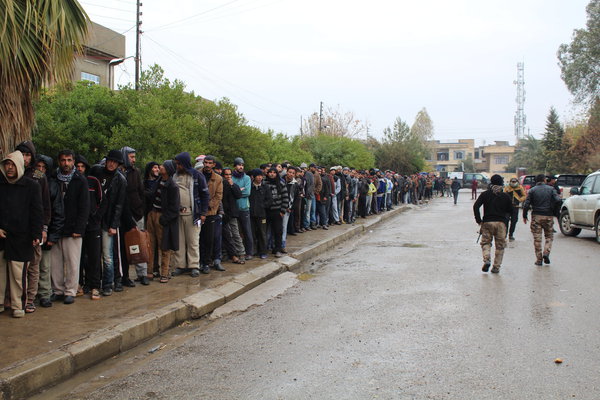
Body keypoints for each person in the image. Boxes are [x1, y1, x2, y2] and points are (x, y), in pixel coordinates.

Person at [0, 151, 44, 317]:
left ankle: (19, 305)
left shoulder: (32, 185)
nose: (9, 168)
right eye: (6, 164)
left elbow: (37, 212)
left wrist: (36, 234)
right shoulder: (1, 184)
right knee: (0, 273)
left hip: (22, 237)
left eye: (12, 164)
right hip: (2, 237)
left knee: (19, 275)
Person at [47, 150, 90, 304]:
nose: (66, 163)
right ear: (59, 161)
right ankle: (57, 290)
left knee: (73, 262)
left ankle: (70, 291)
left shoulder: (80, 179)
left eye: (69, 160)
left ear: (73, 161)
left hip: (73, 228)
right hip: (56, 227)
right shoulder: (53, 178)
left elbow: (85, 206)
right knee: (55, 262)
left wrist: (79, 228)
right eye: (63, 160)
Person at [14, 141, 51, 313]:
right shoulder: (11, 173)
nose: (25, 158)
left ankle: (30, 299)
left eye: (28, 154)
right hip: (15, 229)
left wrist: (43, 228)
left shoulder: (38, 176)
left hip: (34, 228)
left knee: (34, 266)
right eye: (22, 154)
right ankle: (15, 299)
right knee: (17, 267)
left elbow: (45, 205)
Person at [172, 152, 209, 277]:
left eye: (178, 164)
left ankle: (194, 266)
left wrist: (203, 213)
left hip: (194, 214)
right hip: (177, 215)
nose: (177, 166)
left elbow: (205, 195)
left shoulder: (197, 175)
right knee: (179, 241)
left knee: (193, 241)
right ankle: (180, 265)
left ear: (184, 163)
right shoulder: (175, 176)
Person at [96, 150, 127, 296]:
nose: (111, 163)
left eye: (115, 162)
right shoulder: (97, 172)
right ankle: (95, 282)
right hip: (95, 219)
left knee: (108, 256)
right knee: (95, 254)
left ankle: (108, 284)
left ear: (118, 164)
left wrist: (114, 225)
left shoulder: (120, 180)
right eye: (109, 160)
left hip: (109, 221)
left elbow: (119, 205)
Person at [146, 160, 180, 283]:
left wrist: (163, 219)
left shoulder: (173, 186)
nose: (160, 167)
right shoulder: (158, 181)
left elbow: (175, 208)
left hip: (162, 217)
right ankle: (150, 271)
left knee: (164, 247)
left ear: (168, 170)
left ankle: (165, 273)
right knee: (150, 244)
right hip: (152, 214)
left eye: (163, 166)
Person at [473, 174, 512, 273]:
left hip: (487, 223)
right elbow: (511, 211)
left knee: (486, 243)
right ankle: (496, 267)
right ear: (501, 183)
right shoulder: (506, 196)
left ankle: (487, 260)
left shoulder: (485, 194)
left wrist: (479, 220)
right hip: (501, 224)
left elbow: (476, 206)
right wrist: (506, 221)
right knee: (500, 246)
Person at [522, 174, 561, 266]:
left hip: (536, 216)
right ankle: (546, 252)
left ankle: (539, 260)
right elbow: (558, 200)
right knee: (549, 236)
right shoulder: (551, 189)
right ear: (544, 180)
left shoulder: (532, 190)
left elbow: (526, 204)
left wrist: (524, 215)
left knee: (537, 239)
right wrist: (554, 209)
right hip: (548, 215)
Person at [199, 155, 224, 273]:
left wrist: (207, 205)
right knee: (197, 239)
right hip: (197, 211)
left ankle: (206, 262)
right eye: (206, 162)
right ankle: (197, 262)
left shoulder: (218, 179)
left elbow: (218, 196)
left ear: (213, 164)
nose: (207, 165)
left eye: (210, 163)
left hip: (210, 212)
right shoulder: (197, 174)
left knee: (209, 239)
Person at [222, 167, 247, 263]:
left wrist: (232, 185)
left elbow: (238, 195)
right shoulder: (221, 185)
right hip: (223, 213)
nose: (228, 176)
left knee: (235, 234)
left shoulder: (234, 185)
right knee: (226, 235)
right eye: (226, 174)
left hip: (232, 213)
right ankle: (228, 254)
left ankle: (241, 253)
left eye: (229, 174)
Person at [231, 157, 254, 260]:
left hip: (244, 208)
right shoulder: (231, 177)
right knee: (235, 232)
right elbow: (230, 192)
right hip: (234, 208)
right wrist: (239, 190)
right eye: (239, 165)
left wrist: (236, 191)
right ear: (235, 166)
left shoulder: (247, 178)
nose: (241, 166)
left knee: (247, 231)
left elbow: (247, 192)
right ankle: (237, 252)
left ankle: (249, 252)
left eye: (242, 165)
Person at [264, 167, 288, 257]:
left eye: (274, 172)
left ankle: (277, 249)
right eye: (270, 172)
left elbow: (285, 197)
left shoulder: (281, 183)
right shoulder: (264, 183)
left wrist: (282, 211)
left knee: (278, 231)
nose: (272, 174)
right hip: (266, 211)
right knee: (264, 232)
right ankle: (263, 249)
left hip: (277, 211)